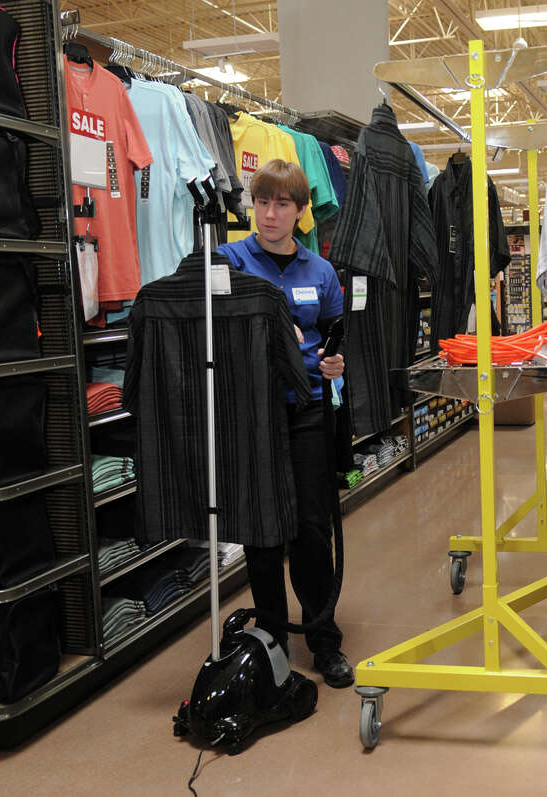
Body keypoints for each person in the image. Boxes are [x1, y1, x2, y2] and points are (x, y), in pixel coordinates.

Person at [215, 159, 353, 689]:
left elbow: (335, 333)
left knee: (312, 531)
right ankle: (271, 638)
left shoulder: (320, 271)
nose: (269, 215)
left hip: (309, 409)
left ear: (300, 212)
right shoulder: (229, 260)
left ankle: (323, 639)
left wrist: (335, 363)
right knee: (262, 531)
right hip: (252, 414)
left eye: (282, 205)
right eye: (261, 202)